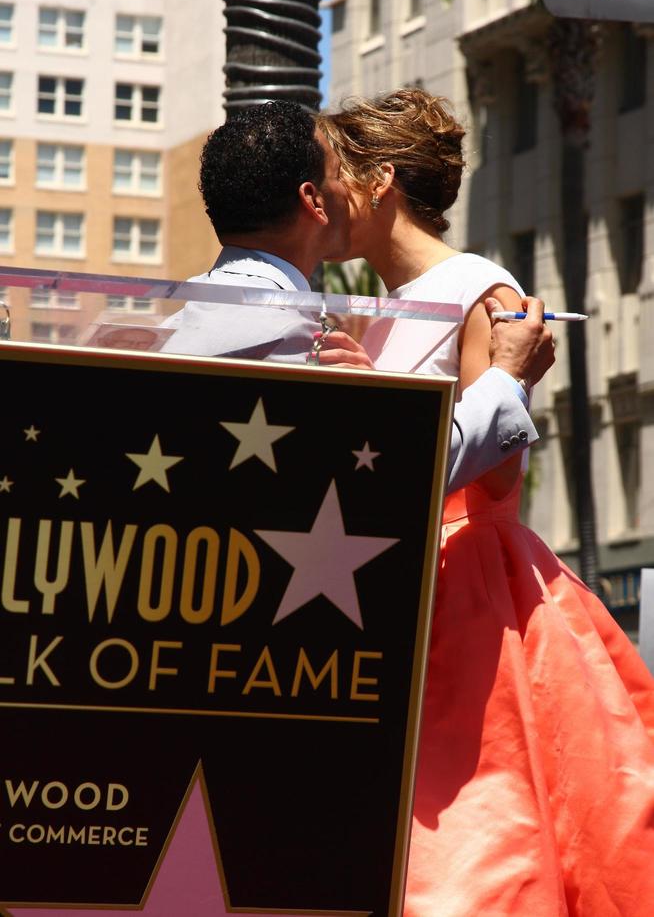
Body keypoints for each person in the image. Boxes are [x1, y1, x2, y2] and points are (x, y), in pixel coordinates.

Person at [317, 89, 654, 916]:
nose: (314, 197)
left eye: (325, 175)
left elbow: (495, 473)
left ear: (377, 180)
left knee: (477, 836)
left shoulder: (474, 285)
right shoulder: (387, 307)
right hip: (410, 580)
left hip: (467, 593)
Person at [163, 101, 554, 493]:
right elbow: (401, 463)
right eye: (336, 175)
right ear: (313, 200)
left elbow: (495, 484)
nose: (341, 193)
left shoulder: (173, 326)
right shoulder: (293, 335)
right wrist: (509, 375)